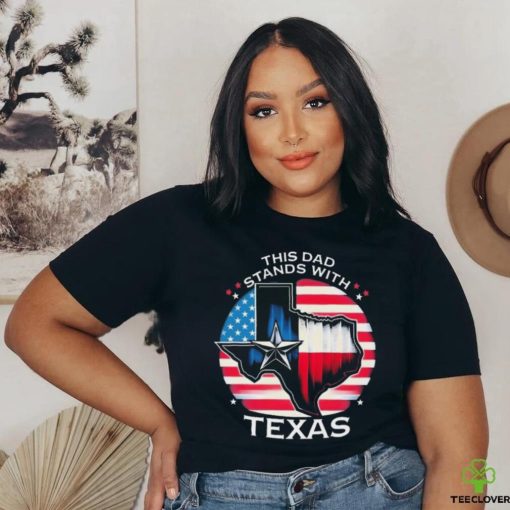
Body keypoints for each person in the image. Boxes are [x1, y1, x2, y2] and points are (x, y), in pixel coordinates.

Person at [4, 17, 488, 510]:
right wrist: (157, 421)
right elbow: (35, 325)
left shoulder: (412, 252)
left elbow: (463, 457)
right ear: (238, 124)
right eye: (263, 111)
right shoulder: (176, 224)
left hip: (376, 491)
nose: (292, 133)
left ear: (351, 111)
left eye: (315, 102)